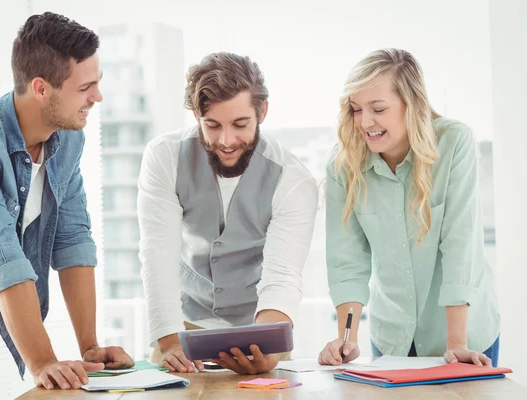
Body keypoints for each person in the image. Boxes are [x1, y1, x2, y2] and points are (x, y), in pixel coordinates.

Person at [0, 12, 133, 399]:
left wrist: (89, 346)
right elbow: (1, 258)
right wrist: (42, 362)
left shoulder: (67, 140)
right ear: (41, 88)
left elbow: (73, 239)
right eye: (86, 86)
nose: (97, 97)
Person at [138, 52, 318, 375]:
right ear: (196, 115)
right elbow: (157, 255)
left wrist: (269, 350)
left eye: (240, 124)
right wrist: (169, 343)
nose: (226, 141)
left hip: (257, 331)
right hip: (181, 330)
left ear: (262, 111)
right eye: (212, 125)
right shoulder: (164, 157)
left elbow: (283, 275)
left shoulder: (294, 179)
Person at [318, 48, 500, 368]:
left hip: (463, 335)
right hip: (392, 340)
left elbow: (461, 245)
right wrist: (346, 341)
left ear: (410, 104)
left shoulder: (454, 143)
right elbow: (346, 261)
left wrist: (456, 343)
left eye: (378, 108)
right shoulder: (343, 165)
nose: (365, 122)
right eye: (356, 109)